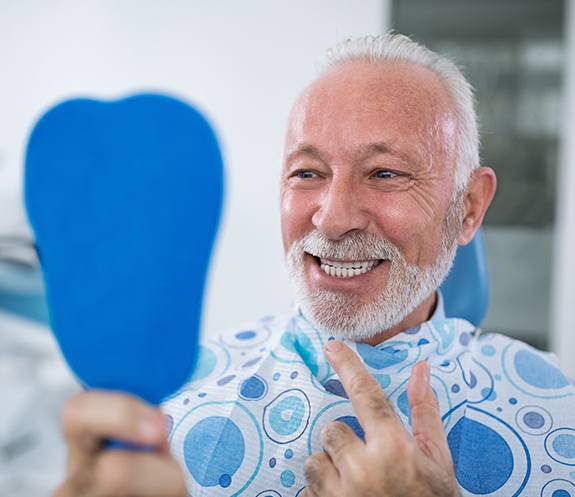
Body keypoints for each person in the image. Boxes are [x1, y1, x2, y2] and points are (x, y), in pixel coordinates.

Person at [54, 34, 575, 497]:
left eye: (386, 172)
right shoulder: (168, 409)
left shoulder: (556, 417)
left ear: (468, 208)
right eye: (307, 172)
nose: (332, 219)